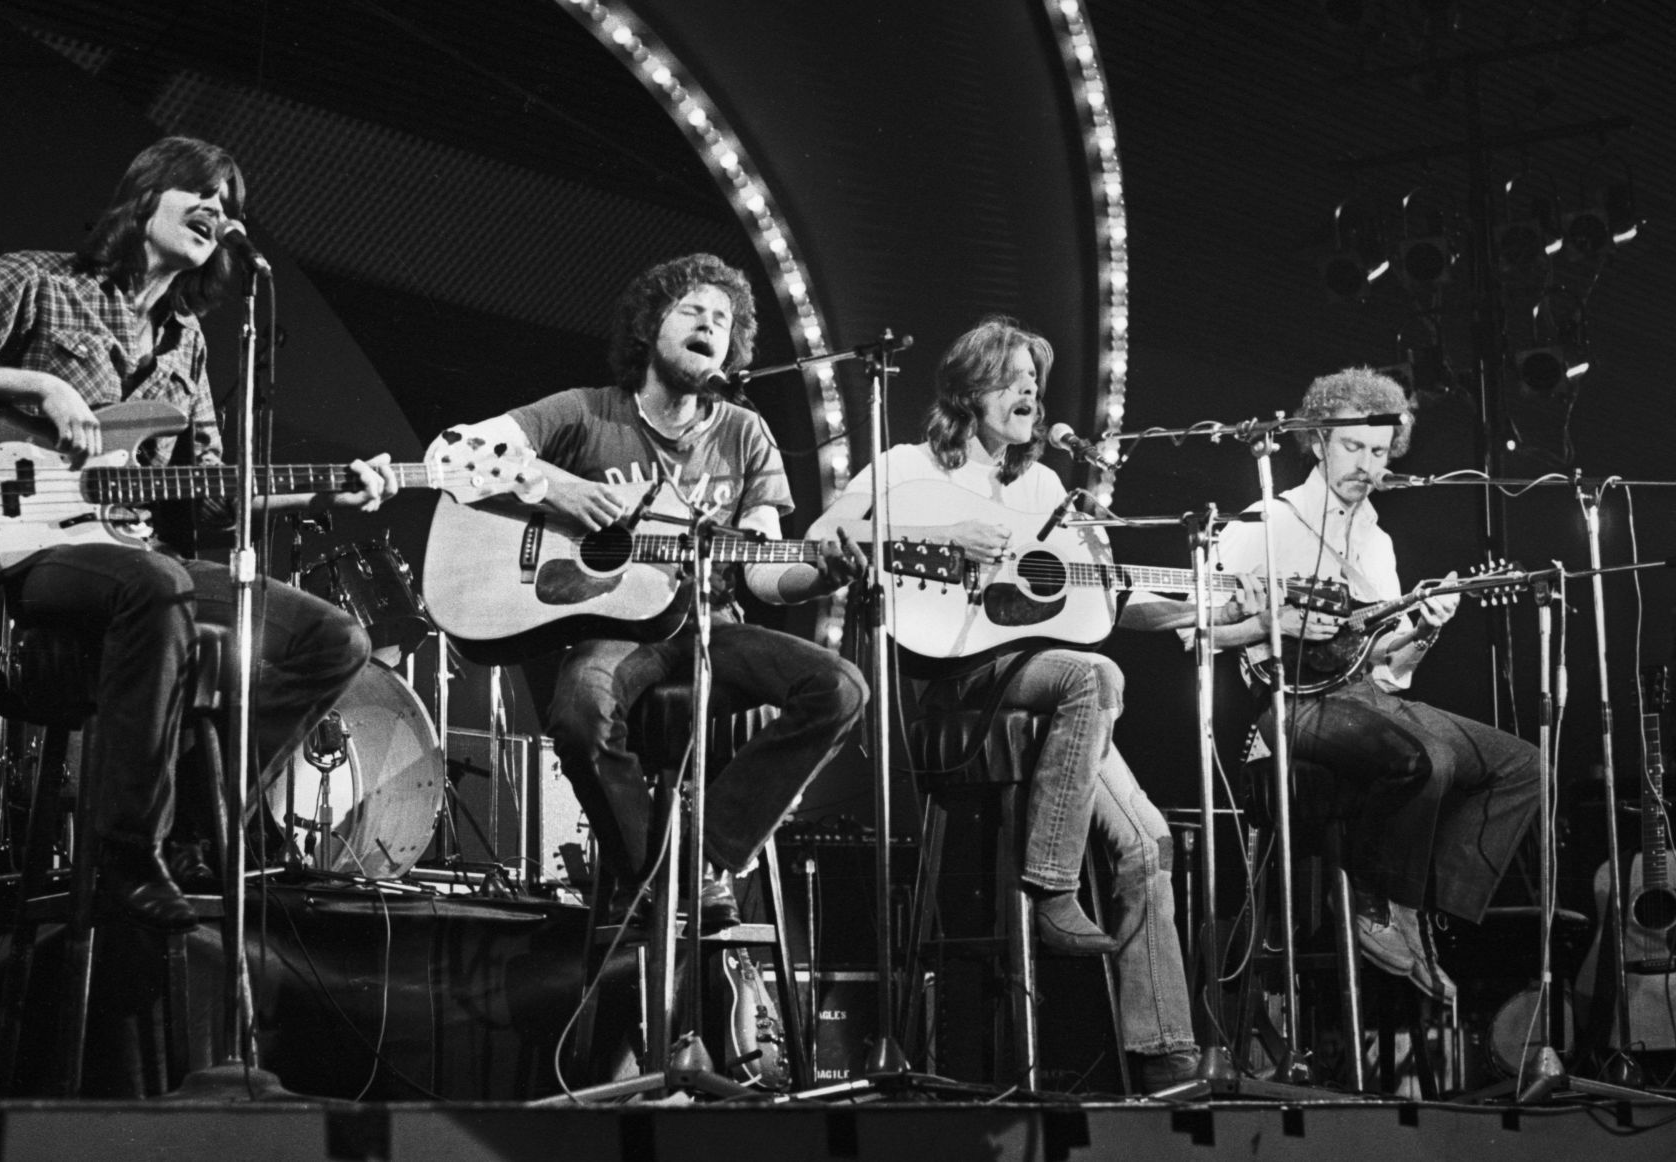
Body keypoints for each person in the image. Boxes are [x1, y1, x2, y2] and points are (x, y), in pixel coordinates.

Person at [0, 136, 400, 932]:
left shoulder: (187, 343)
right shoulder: (37, 279)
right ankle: (123, 859)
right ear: (145, 196)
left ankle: (195, 824)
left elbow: (214, 499)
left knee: (334, 639)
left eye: (232, 207)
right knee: (161, 583)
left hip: (135, 558)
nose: (220, 213)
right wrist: (41, 386)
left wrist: (328, 487)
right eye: (203, 193)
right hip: (38, 556)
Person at [810, 316, 1234, 1090]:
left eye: (1035, 382)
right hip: (957, 686)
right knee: (1094, 678)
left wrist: (1214, 608)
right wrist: (948, 531)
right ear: (968, 389)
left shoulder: (1044, 487)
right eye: (1013, 378)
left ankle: (1167, 1052)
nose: (1030, 393)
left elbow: (1095, 597)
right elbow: (827, 535)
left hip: (1048, 694)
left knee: (1148, 843)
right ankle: (1050, 887)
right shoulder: (906, 467)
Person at [436, 253, 868, 926]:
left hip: (712, 626)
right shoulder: (586, 414)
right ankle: (649, 874)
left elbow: (763, 569)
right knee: (578, 714)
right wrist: (563, 488)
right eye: (692, 310)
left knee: (840, 688)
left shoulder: (744, 434)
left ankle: (703, 859)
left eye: (722, 319)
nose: (709, 325)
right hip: (618, 631)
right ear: (649, 327)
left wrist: (823, 571)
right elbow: (451, 454)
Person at [1212, 367, 1542, 999]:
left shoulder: (1379, 541)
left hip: (1367, 696)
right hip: (1291, 703)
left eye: (1380, 451)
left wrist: (1425, 625)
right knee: (1428, 759)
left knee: (1524, 765)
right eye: (1353, 447)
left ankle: (1420, 908)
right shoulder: (1265, 523)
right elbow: (1195, 631)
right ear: (1317, 441)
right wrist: (1269, 621)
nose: (1367, 463)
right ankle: (1370, 905)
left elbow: (1382, 658)